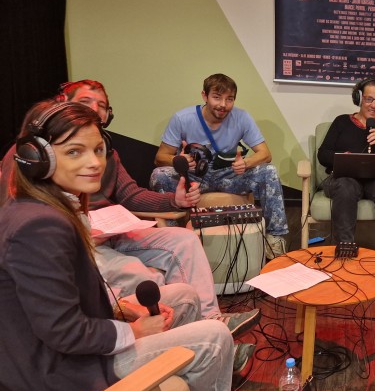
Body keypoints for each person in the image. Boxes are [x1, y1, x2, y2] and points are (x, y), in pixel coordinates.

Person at [0, 100, 233, 391]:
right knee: (215, 338)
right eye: (74, 151)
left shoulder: (45, 207)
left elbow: (59, 303)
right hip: (59, 372)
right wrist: (133, 332)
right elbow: (62, 331)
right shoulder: (39, 226)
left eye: (97, 150)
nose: (94, 162)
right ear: (36, 157)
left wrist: (121, 309)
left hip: (68, 351)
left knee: (184, 295)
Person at [0, 80, 260, 340]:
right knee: (143, 276)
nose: (93, 161)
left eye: (101, 105)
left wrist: (175, 201)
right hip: (84, 242)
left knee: (185, 240)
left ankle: (212, 321)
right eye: (85, 102)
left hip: (114, 233)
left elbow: (131, 195)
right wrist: (78, 229)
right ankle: (189, 341)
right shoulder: (31, 162)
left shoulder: (108, 153)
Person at [150, 73, 289, 258]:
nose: (223, 105)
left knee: (269, 172)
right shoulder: (182, 118)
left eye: (229, 99)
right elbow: (160, 157)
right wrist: (180, 161)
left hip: (228, 176)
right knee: (159, 174)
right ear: (204, 96)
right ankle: (173, 237)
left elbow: (265, 154)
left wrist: (245, 163)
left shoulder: (242, 117)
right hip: (194, 178)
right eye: (217, 97)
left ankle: (275, 240)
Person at [316, 78, 375, 255]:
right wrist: (342, 157)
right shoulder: (341, 122)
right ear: (358, 98)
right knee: (346, 186)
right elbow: (323, 154)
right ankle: (345, 251)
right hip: (344, 180)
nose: (374, 105)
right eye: (369, 99)